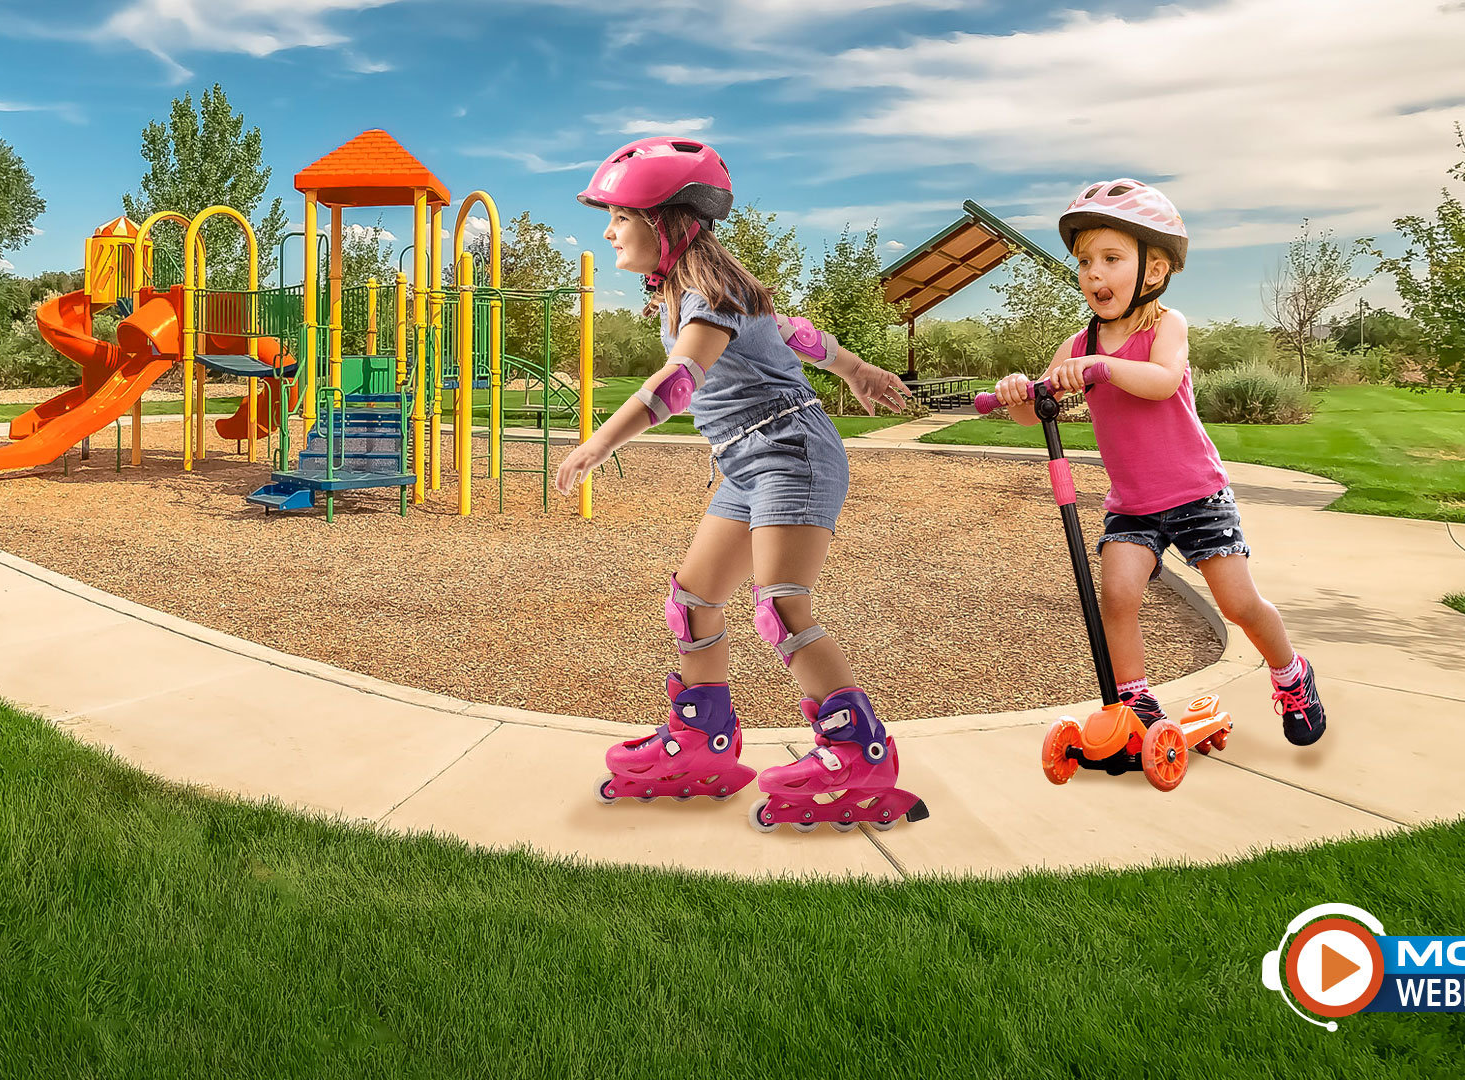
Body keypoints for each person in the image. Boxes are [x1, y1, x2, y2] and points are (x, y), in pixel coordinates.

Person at [558, 137, 929, 830]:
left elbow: (678, 384)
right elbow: (791, 331)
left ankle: (858, 752)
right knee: (692, 600)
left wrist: (599, 443)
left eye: (620, 218)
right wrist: (853, 369)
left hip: (791, 448)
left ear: (665, 222)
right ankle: (704, 741)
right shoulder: (700, 292)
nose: (609, 232)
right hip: (743, 457)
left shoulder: (707, 294)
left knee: (780, 605)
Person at [991, 179, 1327, 746]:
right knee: (1116, 596)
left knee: (1238, 602)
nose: (1093, 273)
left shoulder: (1165, 326)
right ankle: (1135, 704)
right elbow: (1036, 413)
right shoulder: (1078, 344)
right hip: (1133, 504)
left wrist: (1103, 367)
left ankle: (1292, 674)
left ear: (1153, 270)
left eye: (1111, 259)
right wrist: (1021, 393)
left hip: (1196, 493)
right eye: (1084, 262)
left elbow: (1162, 380)